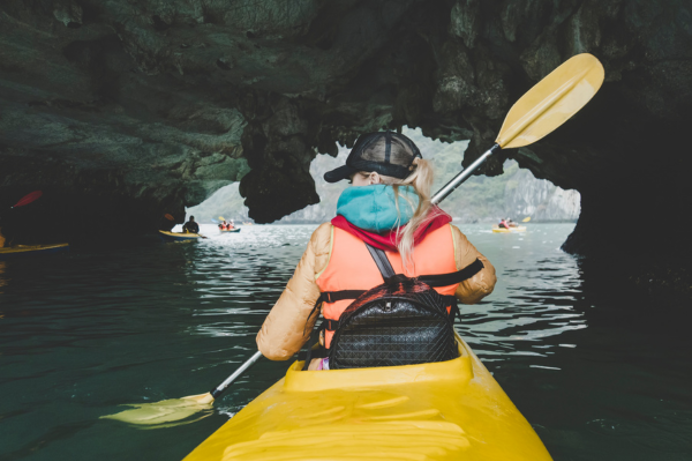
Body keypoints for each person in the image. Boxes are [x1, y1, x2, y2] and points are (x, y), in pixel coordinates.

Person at [256, 131, 496, 370]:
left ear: (372, 178)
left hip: (345, 370)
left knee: (312, 363)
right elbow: (480, 286)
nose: (350, 185)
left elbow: (275, 346)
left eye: (352, 179)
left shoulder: (326, 239)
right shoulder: (446, 234)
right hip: (431, 364)